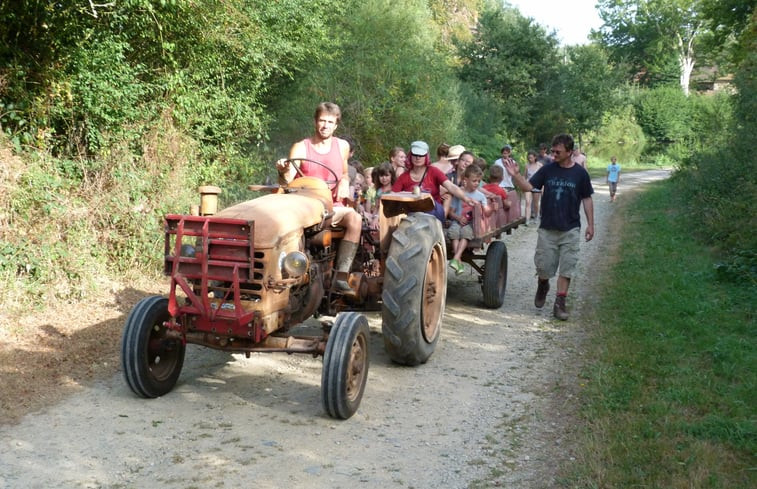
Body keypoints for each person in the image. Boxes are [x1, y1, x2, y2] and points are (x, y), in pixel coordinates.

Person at [503, 134, 594, 320]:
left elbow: (587, 198)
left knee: (567, 267)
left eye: (558, 152)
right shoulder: (548, 170)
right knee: (543, 267)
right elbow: (529, 187)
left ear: (569, 152)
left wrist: (591, 224)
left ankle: (560, 303)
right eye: (552, 151)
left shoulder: (580, 174)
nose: (553, 155)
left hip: (570, 228)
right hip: (548, 228)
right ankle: (543, 284)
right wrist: (516, 175)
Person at [276, 102, 362, 294]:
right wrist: (282, 171)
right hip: (303, 207)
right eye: (322, 121)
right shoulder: (301, 148)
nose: (325, 126)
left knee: (355, 218)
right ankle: (290, 271)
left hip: (332, 208)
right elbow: (287, 181)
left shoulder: (342, 146)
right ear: (315, 122)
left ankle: (341, 275)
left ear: (336, 125)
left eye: (330, 122)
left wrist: (345, 181)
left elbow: (346, 172)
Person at [392, 140, 475, 223]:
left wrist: (466, 198)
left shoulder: (433, 171)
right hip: (411, 214)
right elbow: (392, 196)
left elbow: (450, 186)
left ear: (426, 156)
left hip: (432, 212)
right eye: (415, 154)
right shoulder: (403, 177)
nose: (418, 157)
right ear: (410, 156)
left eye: (421, 155)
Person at [446, 165, 492, 275]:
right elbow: (450, 212)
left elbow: (486, 212)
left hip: (472, 224)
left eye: (479, 181)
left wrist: (489, 208)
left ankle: (456, 257)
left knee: (466, 232)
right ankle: (459, 262)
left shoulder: (481, 196)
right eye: (474, 181)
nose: (477, 183)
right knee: (454, 232)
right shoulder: (459, 194)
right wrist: (458, 218)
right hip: (457, 221)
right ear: (466, 180)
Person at [524, 150, 543, 224]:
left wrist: (543, 187)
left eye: (531, 158)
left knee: (536, 203)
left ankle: (536, 216)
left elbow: (543, 177)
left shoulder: (540, 165)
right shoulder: (527, 165)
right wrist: (523, 185)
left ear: (535, 157)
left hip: (537, 186)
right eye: (529, 158)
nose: (530, 159)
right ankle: (527, 219)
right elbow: (524, 176)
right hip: (528, 185)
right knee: (528, 202)